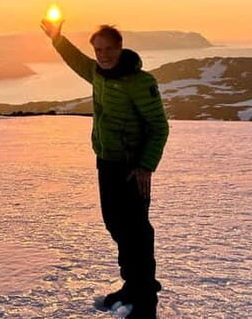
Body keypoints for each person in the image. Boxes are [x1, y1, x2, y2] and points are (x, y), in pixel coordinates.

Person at [40, 19, 169, 319]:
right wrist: (57, 39)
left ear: (120, 48)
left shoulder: (140, 82)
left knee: (136, 231)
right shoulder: (97, 72)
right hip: (106, 163)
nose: (103, 55)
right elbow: (75, 61)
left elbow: (159, 127)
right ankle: (133, 285)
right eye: (98, 50)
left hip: (132, 168)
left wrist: (146, 166)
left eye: (109, 49)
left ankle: (146, 299)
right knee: (116, 225)